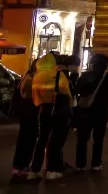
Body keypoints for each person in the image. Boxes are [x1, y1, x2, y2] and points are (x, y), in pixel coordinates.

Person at [28, 52, 73, 180]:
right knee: (56, 141)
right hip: (59, 111)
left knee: (42, 140)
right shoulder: (58, 75)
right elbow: (67, 93)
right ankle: (52, 170)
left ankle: (34, 170)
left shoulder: (37, 77)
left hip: (43, 110)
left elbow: (34, 96)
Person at [74, 53, 108, 172]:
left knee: (82, 139)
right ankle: (96, 163)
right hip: (101, 112)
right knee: (98, 139)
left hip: (85, 110)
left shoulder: (85, 76)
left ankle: (80, 164)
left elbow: (78, 91)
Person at [9, 63, 39, 179]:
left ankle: (17, 166)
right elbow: (31, 97)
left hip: (25, 115)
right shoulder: (32, 80)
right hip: (31, 114)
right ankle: (23, 166)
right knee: (29, 141)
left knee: (23, 140)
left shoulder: (25, 77)